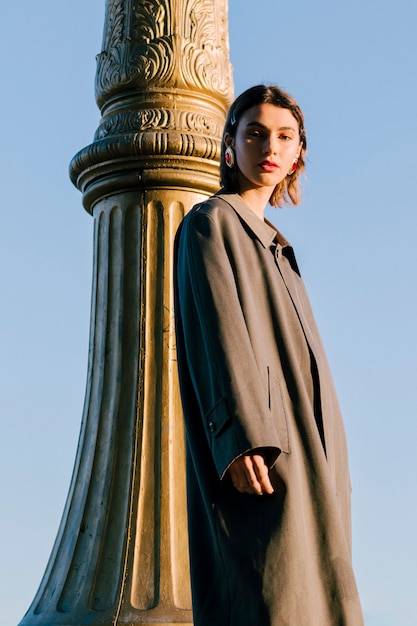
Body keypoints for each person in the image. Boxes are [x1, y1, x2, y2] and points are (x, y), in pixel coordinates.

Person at [174, 84, 364, 626]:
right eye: (254, 133)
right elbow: (217, 331)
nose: (269, 147)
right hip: (265, 453)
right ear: (230, 145)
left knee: (322, 597)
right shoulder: (213, 223)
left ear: (298, 153)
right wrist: (238, 436)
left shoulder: (278, 245)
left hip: (313, 452)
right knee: (270, 598)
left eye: (284, 136)